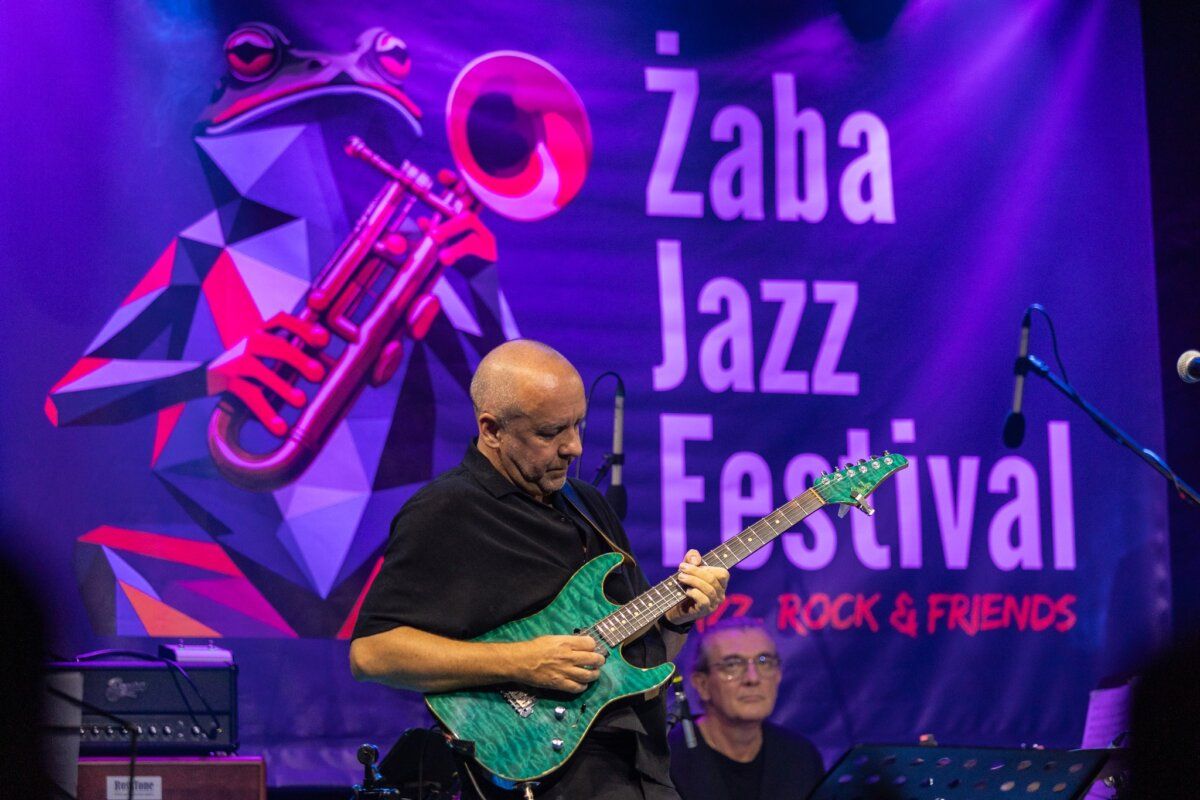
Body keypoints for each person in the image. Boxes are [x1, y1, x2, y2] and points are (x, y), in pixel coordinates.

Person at [349, 339, 730, 799]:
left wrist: (677, 619)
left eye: (578, 424)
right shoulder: (446, 511)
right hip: (544, 776)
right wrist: (523, 661)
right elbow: (371, 654)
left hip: (641, 768)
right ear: (492, 430)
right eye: (550, 433)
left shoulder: (588, 504)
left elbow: (644, 659)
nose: (574, 447)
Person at [668, 618, 824, 800]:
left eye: (764, 662)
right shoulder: (669, 761)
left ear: (778, 675)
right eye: (732, 665)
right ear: (702, 684)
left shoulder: (800, 757)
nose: (752, 678)